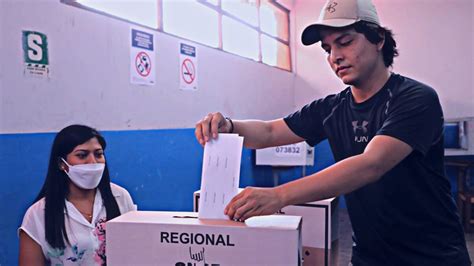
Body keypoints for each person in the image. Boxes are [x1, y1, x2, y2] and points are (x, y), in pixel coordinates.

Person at [195, 0, 471, 265]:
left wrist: (277, 196)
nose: (335, 56)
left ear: (378, 39)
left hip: (433, 256)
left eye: (345, 42)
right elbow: (268, 132)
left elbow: (371, 164)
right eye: (327, 48)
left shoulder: (415, 98)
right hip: (370, 257)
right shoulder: (332, 108)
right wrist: (229, 125)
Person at [18, 125, 136, 266]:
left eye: (98, 154)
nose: (93, 162)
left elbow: (136, 250)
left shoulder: (120, 197)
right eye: (82, 155)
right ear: (62, 164)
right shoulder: (38, 214)